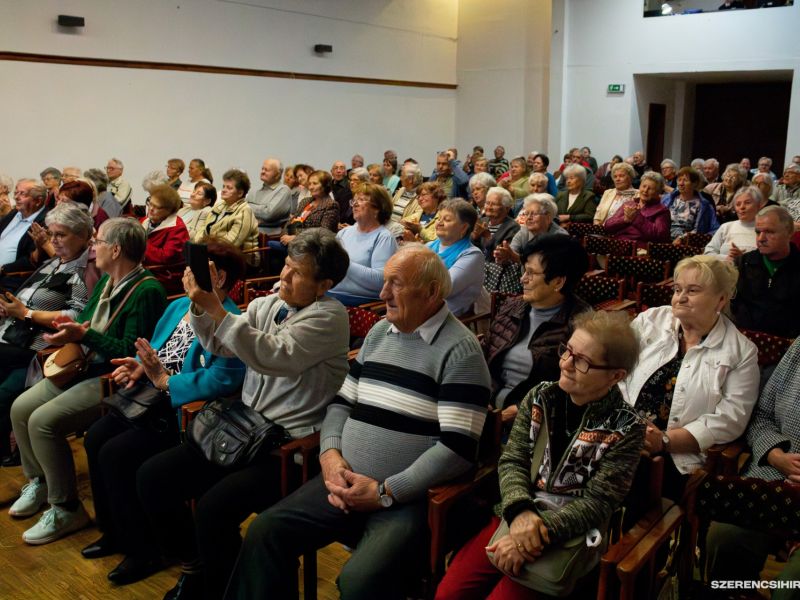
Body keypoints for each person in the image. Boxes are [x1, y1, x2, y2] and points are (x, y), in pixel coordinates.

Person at [224, 243, 491, 599]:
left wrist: (384, 492)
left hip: (407, 499)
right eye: (384, 282)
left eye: (395, 284)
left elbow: (457, 449)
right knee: (266, 532)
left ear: (430, 293)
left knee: (359, 581)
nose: (383, 294)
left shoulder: (461, 351)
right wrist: (330, 458)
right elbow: (340, 403)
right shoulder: (380, 333)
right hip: (341, 480)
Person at [138, 228, 351, 600]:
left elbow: (272, 355)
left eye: (297, 272)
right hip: (242, 432)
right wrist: (203, 305)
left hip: (288, 446)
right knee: (153, 478)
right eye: (285, 265)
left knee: (213, 510)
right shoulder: (270, 304)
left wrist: (218, 309)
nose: (284, 276)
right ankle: (197, 567)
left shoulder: (330, 317)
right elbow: (220, 343)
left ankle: (223, 589)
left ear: (323, 285)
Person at [435, 310, 645, 600]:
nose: (566, 364)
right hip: (514, 513)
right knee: (448, 594)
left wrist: (533, 535)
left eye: (581, 361)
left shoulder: (626, 426)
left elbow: (599, 503)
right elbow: (513, 461)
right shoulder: (540, 396)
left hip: (568, 534)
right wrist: (520, 514)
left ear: (616, 376)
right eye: (567, 350)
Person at [81, 239, 247, 586]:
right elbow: (157, 349)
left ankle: (145, 549)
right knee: (96, 437)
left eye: (195, 269)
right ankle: (114, 531)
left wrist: (168, 382)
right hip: (152, 394)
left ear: (219, 278)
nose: (186, 275)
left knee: (116, 454)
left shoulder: (230, 320)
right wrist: (139, 366)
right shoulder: (177, 307)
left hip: (182, 409)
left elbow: (223, 378)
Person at [8, 218, 167, 544]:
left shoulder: (147, 289)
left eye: (99, 242)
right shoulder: (109, 281)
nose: (93, 248)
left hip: (113, 379)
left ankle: (66, 507)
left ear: (116, 249)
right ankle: (39, 482)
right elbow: (84, 322)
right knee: (20, 408)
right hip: (84, 366)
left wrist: (84, 335)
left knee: (42, 421)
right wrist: (72, 329)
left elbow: (130, 352)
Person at [620, 255, 759, 499]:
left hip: (676, 456)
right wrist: (622, 425)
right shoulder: (651, 320)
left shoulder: (741, 351)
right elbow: (617, 370)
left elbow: (731, 418)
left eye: (692, 290)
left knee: (635, 478)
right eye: (677, 289)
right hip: (619, 431)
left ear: (721, 299)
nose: (680, 297)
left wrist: (663, 440)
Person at [705, 337, 800, 595]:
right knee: (724, 538)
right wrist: (774, 453)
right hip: (775, 479)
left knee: (789, 589)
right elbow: (761, 415)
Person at [0, 203, 92, 467]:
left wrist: (26, 313)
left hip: (39, 347)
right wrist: (10, 307)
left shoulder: (82, 271)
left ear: (83, 235)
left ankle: (11, 454)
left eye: (60, 235)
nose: (53, 241)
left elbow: (77, 317)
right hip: (14, 335)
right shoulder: (55, 262)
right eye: (51, 234)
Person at [482, 235, 591, 425]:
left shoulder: (583, 325)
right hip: (487, 406)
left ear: (558, 282)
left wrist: (522, 411)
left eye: (531, 273)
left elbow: (573, 388)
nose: (523, 279)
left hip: (535, 421)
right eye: (524, 270)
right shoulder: (512, 306)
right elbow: (485, 353)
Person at [732, 206, 800, 337]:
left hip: (789, 346)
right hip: (745, 341)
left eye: (769, 232)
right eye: (758, 232)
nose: (761, 238)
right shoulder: (742, 264)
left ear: (789, 232)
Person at [328, 183, 398, 306]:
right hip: (331, 293)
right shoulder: (344, 233)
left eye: (361, 200)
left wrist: (344, 262)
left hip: (359, 301)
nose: (355, 204)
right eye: (354, 200)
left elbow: (380, 282)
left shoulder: (383, 237)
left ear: (377, 208)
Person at [428, 198, 484, 316]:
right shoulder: (429, 246)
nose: (439, 223)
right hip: (422, 307)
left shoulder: (472, 254)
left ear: (463, 228)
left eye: (447, 219)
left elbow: (446, 288)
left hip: (448, 317)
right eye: (438, 218)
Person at [194, 169, 260, 266]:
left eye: (229, 188)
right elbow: (203, 228)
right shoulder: (219, 206)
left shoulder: (245, 211)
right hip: (215, 254)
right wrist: (199, 244)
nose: (224, 190)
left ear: (240, 193)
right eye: (223, 186)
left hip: (241, 260)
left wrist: (207, 247)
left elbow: (232, 243)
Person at [603, 171, 671, 248]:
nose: (645, 190)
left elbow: (661, 237)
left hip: (639, 249)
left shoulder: (661, 210)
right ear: (639, 187)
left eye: (650, 188)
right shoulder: (629, 204)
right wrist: (624, 220)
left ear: (658, 192)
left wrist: (636, 217)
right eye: (644, 186)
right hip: (618, 244)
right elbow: (607, 226)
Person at [495, 194, 567, 266]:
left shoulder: (560, 237)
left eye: (534, 214)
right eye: (526, 214)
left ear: (548, 217)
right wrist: (503, 257)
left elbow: (546, 268)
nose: (528, 218)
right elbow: (511, 254)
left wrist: (514, 257)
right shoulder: (524, 232)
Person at [0, 179, 48, 284]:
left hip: (10, 279)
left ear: (38, 201)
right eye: (16, 193)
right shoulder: (14, 213)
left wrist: (3, 269)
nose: (16, 197)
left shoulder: (45, 222)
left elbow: (32, 260)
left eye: (22, 194)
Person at [704, 186, 763, 261]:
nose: (742, 207)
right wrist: (726, 258)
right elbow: (708, 252)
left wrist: (742, 258)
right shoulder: (726, 227)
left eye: (747, 203)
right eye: (738, 204)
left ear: (759, 206)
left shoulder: (764, 229)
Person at [662, 167, 720, 241]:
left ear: (694, 183)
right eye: (679, 180)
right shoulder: (667, 199)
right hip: (664, 241)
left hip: (688, 243)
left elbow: (715, 229)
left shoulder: (704, 205)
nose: (681, 183)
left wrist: (685, 238)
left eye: (685, 180)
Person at [142, 184, 189, 267]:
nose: (151, 209)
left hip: (161, 274)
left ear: (170, 210)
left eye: (157, 207)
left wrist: (138, 243)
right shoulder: (145, 220)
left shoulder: (177, 229)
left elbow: (165, 257)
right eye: (150, 203)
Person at [471, 187, 519, 263]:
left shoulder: (512, 227)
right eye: (487, 203)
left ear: (506, 208)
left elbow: (501, 257)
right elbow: (471, 250)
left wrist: (488, 237)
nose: (489, 207)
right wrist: (475, 238)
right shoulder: (482, 221)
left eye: (494, 204)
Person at [246, 158, 291, 236]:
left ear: (277, 174)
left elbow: (268, 214)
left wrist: (250, 206)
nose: (262, 172)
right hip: (249, 231)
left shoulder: (283, 190)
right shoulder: (254, 191)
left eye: (267, 170)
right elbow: (243, 210)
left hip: (269, 236)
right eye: (262, 169)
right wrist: (263, 208)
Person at [390, 162, 424, 233]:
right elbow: (391, 207)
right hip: (390, 227)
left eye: (402, 176)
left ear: (410, 179)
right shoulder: (401, 190)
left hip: (403, 231)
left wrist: (398, 224)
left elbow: (417, 215)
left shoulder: (421, 195)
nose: (400, 178)